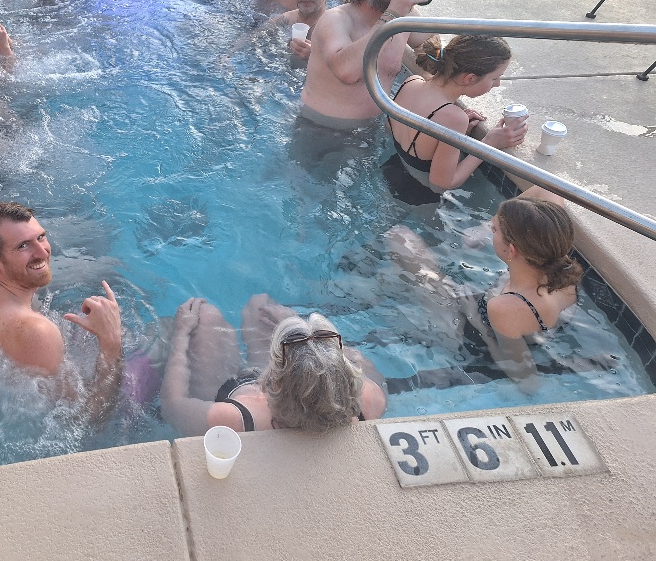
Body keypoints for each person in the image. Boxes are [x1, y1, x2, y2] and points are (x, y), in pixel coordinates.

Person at [386, 187, 582, 392]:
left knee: (400, 240)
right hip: (519, 321)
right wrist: (483, 228)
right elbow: (548, 190)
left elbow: (528, 382)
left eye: (495, 230)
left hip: (475, 335)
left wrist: (476, 318)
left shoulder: (505, 307)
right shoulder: (558, 262)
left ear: (511, 250)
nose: (491, 229)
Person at [0, 202, 124, 421]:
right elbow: (87, 420)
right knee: (165, 334)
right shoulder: (38, 331)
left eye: (41, 237)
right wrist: (111, 341)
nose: (42, 252)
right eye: (23, 246)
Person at [160, 294, 387, 436]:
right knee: (260, 305)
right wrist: (301, 331)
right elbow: (363, 365)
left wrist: (181, 333)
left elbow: (172, 406)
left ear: (272, 382)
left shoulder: (239, 420)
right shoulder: (369, 399)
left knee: (205, 316)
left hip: (227, 390)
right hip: (297, 383)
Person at [300, 0, 438, 129]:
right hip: (318, 130)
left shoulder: (405, 18)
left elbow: (434, 57)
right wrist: (392, 14)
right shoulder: (335, 19)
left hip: (373, 130)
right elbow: (347, 71)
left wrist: (442, 103)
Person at [387, 35, 529, 193]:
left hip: (391, 170)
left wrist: (448, 137)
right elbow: (440, 185)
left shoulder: (411, 82)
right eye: (495, 78)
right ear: (470, 78)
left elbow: (391, 128)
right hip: (419, 195)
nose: (497, 84)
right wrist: (488, 144)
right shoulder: (454, 118)